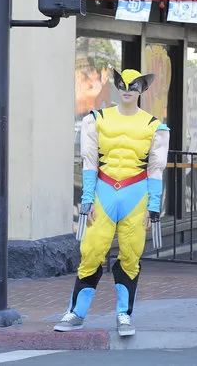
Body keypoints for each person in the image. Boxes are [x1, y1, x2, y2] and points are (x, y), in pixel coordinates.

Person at [54, 68, 170, 336]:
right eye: (123, 84)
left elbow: (155, 169)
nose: (128, 89)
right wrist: (86, 200)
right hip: (104, 192)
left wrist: (154, 207)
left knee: (131, 255)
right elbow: (90, 162)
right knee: (91, 251)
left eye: (134, 85)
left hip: (136, 194)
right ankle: (76, 313)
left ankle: (124, 314)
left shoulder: (154, 126)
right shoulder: (97, 119)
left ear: (142, 88)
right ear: (117, 86)